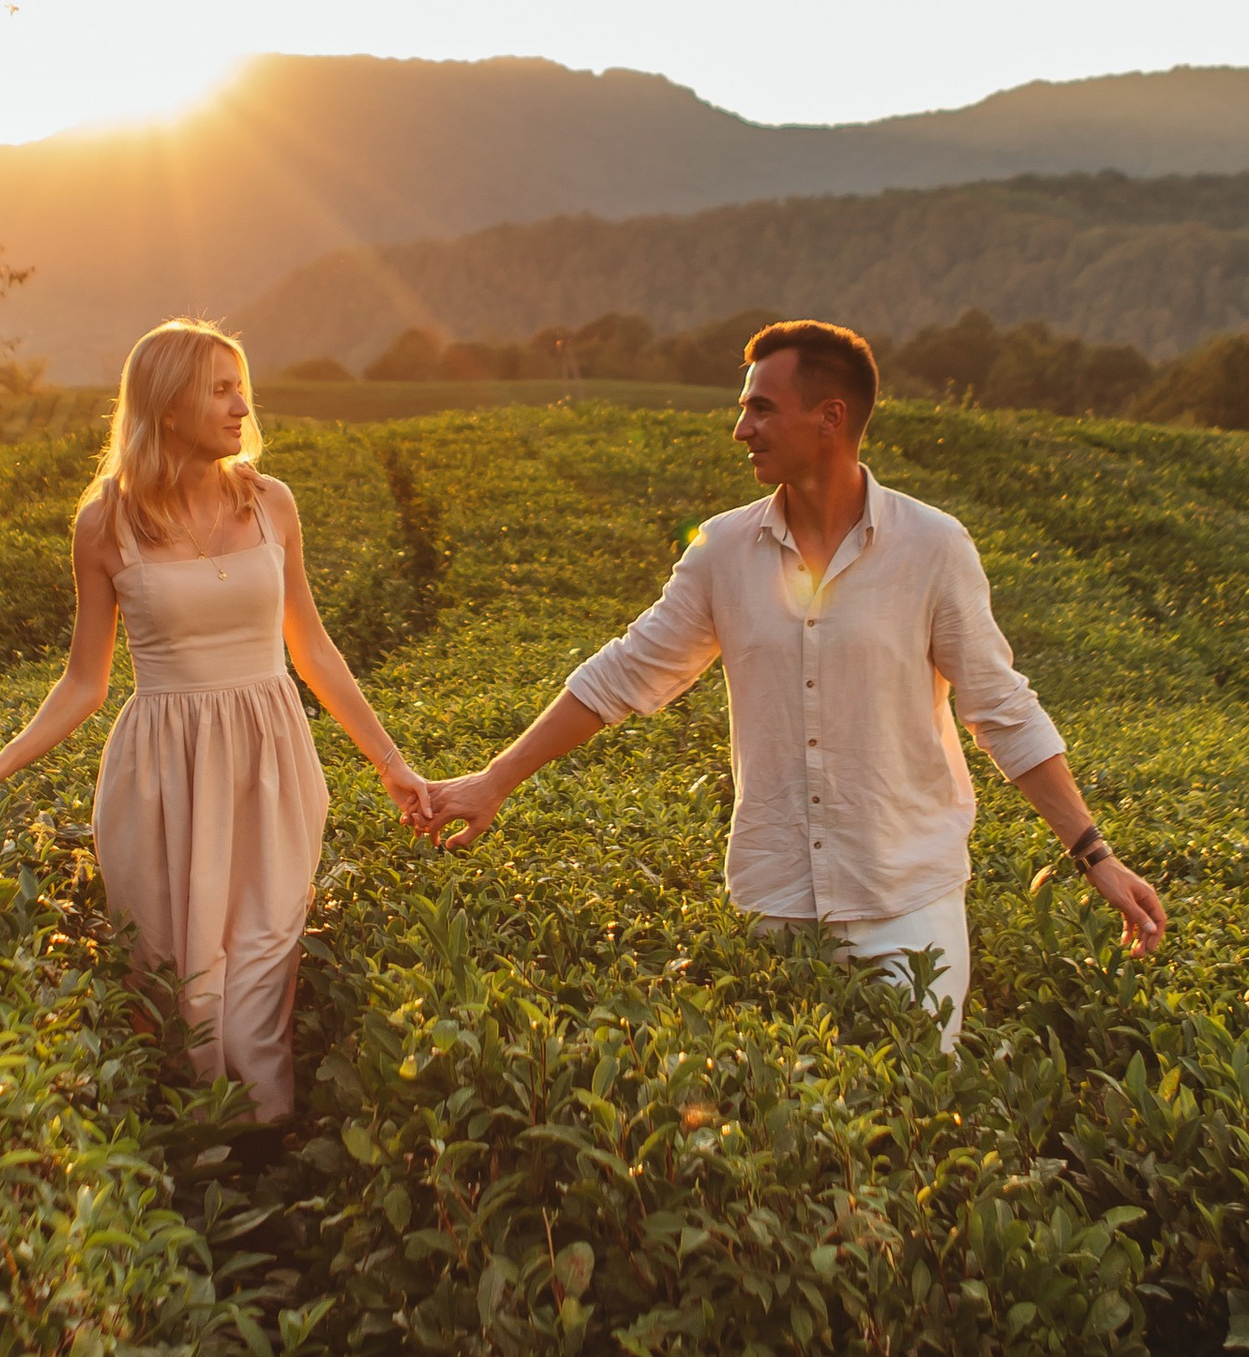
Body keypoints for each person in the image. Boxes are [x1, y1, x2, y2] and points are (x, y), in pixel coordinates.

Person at [417, 317, 1163, 1035]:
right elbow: (622, 674)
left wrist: (1094, 854)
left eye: (761, 409)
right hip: (774, 902)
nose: (741, 429)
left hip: (904, 905)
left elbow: (1002, 708)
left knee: (909, 1125)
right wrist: (495, 779)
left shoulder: (933, 547)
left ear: (830, 417)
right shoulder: (722, 550)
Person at [0, 318, 427, 1119]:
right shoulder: (103, 524)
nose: (242, 404)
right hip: (161, 774)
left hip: (270, 762)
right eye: (220, 388)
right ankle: (199, 1167)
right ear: (167, 405)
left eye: (240, 385)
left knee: (258, 964)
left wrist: (393, 765)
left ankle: (264, 1141)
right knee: (178, 978)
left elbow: (312, 648)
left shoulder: (272, 503)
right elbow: (84, 680)